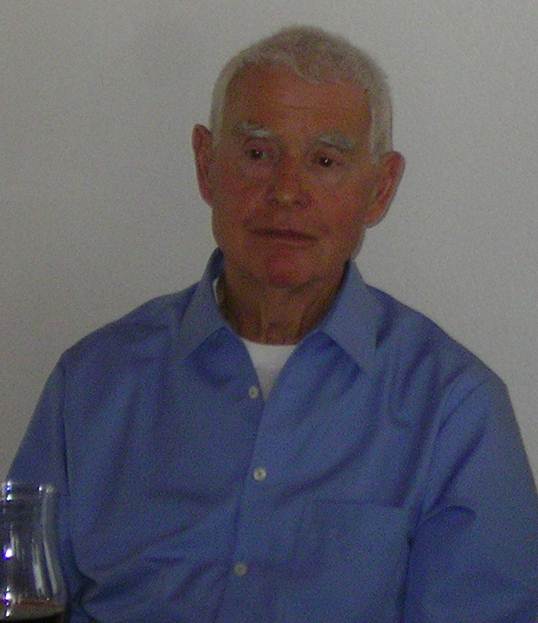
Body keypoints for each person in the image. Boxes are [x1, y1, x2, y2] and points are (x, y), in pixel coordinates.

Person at [9, 25, 538, 623]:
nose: (287, 191)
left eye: (325, 161)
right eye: (258, 154)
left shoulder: (453, 408)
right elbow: (22, 595)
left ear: (381, 188)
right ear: (206, 165)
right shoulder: (92, 384)